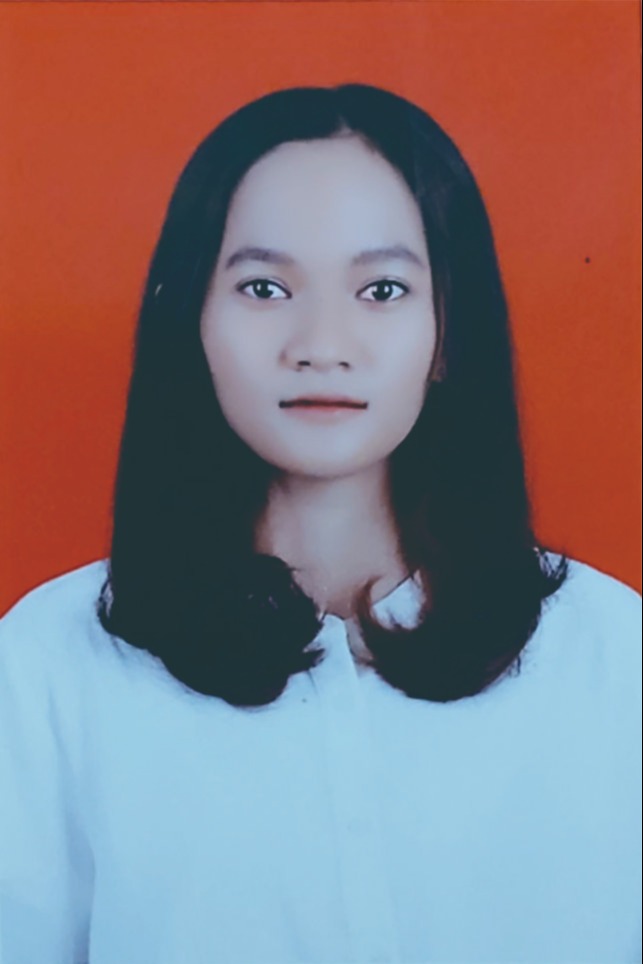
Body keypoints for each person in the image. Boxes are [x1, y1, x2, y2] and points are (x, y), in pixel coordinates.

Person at [0, 83, 640, 964]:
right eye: (264, 287)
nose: (322, 344)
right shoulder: (48, 667)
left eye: (381, 289)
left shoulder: (611, 658)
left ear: (447, 331)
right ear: (191, 320)